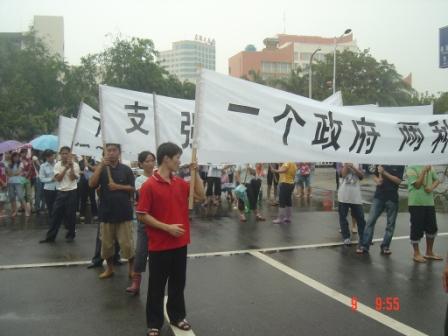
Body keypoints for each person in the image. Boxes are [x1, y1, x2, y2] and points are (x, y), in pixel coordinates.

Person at [136, 142, 205, 336]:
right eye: (177, 158)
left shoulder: (180, 183)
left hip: (180, 243)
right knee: (156, 286)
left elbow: (200, 195)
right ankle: (154, 323)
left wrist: (196, 173)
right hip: (159, 245)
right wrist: (167, 228)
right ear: (166, 158)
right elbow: (142, 214)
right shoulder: (149, 185)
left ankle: (177, 316)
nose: (179, 161)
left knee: (177, 283)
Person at [89, 143, 136, 279]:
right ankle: (109, 269)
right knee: (107, 245)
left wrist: (118, 186)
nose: (111, 153)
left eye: (114, 150)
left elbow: (132, 188)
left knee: (127, 244)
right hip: (106, 213)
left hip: (124, 213)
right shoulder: (102, 169)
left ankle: (131, 269)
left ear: (119, 153)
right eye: (108, 150)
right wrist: (100, 167)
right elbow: (92, 184)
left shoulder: (126, 169)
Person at [126, 150, 156, 295]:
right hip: (145, 220)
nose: (151, 163)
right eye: (147, 161)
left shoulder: (159, 176)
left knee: (158, 254)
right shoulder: (140, 180)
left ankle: (158, 283)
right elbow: (144, 195)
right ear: (141, 164)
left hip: (159, 221)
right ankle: (136, 282)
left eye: (152, 160)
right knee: (141, 252)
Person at [358, 165, 404, 255]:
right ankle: (364, 245)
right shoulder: (381, 160)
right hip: (379, 196)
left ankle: (385, 246)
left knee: (390, 225)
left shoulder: (399, 163)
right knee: (370, 221)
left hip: (392, 198)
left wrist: (384, 173)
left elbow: (398, 181)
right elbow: (374, 175)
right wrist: (377, 180)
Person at [39, 147, 80, 243]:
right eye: (63, 153)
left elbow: (73, 178)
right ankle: (50, 237)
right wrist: (66, 168)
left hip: (72, 191)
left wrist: (72, 167)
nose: (64, 155)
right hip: (61, 191)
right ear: (60, 155)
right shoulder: (57, 165)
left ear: (70, 154)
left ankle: (71, 235)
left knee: (71, 215)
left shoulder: (76, 165)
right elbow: (58, 179)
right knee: (55, 214)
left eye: (66, 153)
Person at [406, 165, 443, 263]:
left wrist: (431, 187)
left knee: (432, 227)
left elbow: (437, 180)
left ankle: (429, 252)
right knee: (416, 228)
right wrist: (423, 171)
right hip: (416, 203)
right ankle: (416, 253)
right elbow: (417, 185)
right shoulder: (410, 167)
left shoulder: (430, 165)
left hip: (429, 203)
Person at [337, 163, 366, 246]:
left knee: (360, 218)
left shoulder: (358, 161)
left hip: (356, 196)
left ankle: (363, 237)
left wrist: (353, 167)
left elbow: (361, 176)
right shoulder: (340, 162)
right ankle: (346, 237)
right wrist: (346, 165)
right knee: (343, 217)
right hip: (343, 195)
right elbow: (342, 174)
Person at [6, 152, 29, 217]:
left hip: (18, 182)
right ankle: (14, 211)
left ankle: (26, 210)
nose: (16, 158)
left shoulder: (21, 163)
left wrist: (13, 173)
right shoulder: (9, 164)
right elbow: (8, 173)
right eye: (14, 157)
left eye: (17, 157)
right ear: (12, 158)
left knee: (21, 196)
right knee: (12, 197)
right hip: (10, 182)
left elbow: (18, 171)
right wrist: (12, 172)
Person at [38, 150, 57, 218]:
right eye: (48, 156)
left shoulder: (58, 164)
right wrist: (51, 179)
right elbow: (41, 178)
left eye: (51, 156)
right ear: (46, 157)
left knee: (59, 205)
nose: (50, 158)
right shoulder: (43, 166)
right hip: (48, 188)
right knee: (50, 206)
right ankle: (52, 220)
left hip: (58, 187)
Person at [79, 156, 98, 221]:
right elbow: (78, 171)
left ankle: (95, 214)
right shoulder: (80, 162)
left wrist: (88, 165)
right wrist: (83, 172)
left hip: (91, 181)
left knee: (92, 198)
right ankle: (82, 214)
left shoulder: (93, 161)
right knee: (83, 198)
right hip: (83, 182)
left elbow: (95, 169)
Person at [19, 148, 34, 213]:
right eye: (23, 152)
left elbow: (30, 169)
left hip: (27, 179)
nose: (24, 154)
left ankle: (31, 207)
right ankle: (22, 206)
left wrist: (26, 175)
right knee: (21, 194)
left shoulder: (29, 160)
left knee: (28, 194)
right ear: (21, 153)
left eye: (25, 152)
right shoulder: (18, 160)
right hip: (20, 179)